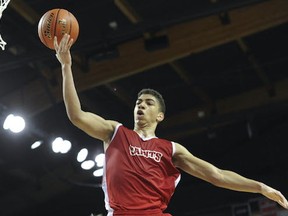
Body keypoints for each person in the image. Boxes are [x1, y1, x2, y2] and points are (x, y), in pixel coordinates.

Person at [54, 34, 288, 216]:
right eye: (138, 102)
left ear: (160, 116)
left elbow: (216, 175)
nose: (141, 106)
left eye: (148, 103)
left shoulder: (172, 149)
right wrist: (66, 67)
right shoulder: (114, 132)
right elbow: (77, 115)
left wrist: (259, 187)